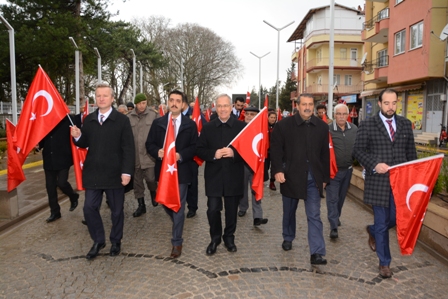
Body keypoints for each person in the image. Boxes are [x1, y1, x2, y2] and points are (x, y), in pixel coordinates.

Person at [353, 88, 417, 279]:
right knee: (382, 223)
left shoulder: (405, 124)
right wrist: (374, 164)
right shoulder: (367, 125)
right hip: (379, 182)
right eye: (387, 103)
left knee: (396, 219)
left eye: (394, 103)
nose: (391, 107)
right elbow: (358, 151)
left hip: (400, 184)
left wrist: (414, 179)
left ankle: (371, 230)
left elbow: (411, 154)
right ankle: (384, 263)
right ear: (379, 104)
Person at [70, 83, 135, 260]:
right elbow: (84, 142)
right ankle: (98, 240)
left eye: (105, 96)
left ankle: (116, 240)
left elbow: (129, 148)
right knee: (89, 208)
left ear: (112, 99)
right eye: (98, 95)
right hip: (94, 173)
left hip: (115, 174)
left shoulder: (122, 120)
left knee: (116, 211)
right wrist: (77, 136)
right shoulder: (89, 120)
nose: (101, 98)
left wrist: (127, 172)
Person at [270, 93, 330, 265]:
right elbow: (276, 151)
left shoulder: (321, 127)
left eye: (310, 104)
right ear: (297, 106)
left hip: (313, 179)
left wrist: (325, 177)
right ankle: (288, 236)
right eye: (304, 104)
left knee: (314, 215)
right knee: (289, 211)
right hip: (290, 177)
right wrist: (278, 171)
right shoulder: (283, 126)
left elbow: (325, 154)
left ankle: (317, 252)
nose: (307, 107)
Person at [146, 90, 198, 258]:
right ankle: (177, 218)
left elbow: (194, 147)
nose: (174, 103)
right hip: (163, 171)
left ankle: (177, 242)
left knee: (178, 206)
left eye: (178, 100)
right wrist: (157, 152)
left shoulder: (190, 125)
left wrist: (181, 155)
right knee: (164, 202)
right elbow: (149, 144)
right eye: (171, 100)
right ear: (168, 102)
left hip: (181, 172)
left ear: (183, 104)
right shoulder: (158, 123)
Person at [196, 94, 246, 255]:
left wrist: (234, 153)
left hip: (233, 175)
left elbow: (248, 151)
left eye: (226, 106)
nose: (223, 109)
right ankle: (215, 238)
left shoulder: (241, 127)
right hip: (214, 176)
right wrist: (213, 153)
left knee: (232, 210)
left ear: (231, 107)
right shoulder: (209, 127)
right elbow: (199, 149)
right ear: (215, 108)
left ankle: (229, 237)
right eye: (220, 106)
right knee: (212, 209)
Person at [38, 116, 79, 223]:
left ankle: (73, 196)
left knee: (62, 182)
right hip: (49, 159)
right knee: (50, 187)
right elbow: (42, 140)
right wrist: (38, 145)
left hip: (63, 159)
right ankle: (55, 212)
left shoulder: (68, 120)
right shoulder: (44, 121)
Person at [326, 104, 358, 239]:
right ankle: (333, 226)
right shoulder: (327, 130)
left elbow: (359, 147)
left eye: (344, 114)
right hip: (333, 171)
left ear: (348, 115)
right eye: (338, 114)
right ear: (334, 115)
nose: (341, 117)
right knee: (332, 198)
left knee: (341, 197)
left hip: (348, 170)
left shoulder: (354, 129)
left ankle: (336, 216)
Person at [128, 93, 159, 217]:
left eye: (144, 103)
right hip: (135, 156)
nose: (142, 106)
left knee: (151, 178)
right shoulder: (128, 117)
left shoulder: (154, 115)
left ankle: (153, 192)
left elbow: (160, 133)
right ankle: (141, 206)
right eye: (140, 103)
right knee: (137, 183)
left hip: (149, 155)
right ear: (135, 104)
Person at [237, 106, 268, 226]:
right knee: (243, 188)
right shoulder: (238, 128)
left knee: (256, 189)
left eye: (252, 114)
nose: (249, 116)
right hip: (242, 164)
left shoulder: (261, 129)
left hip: (256, 165)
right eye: (247, 114)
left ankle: (257, 216)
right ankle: (243, 208)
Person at [181, 95, 207, 218]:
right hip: (177, 156)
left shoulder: (196, 114)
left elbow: (205, 129)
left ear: (183, 103)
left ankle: (192, 207)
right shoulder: (173, 116)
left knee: (191, 183)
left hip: (192, 156)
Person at [266, 110, 277, 191]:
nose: (273, 119)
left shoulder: (278, 127)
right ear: (268, 118)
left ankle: (272, 182)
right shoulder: (263, 126)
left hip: (274, 150)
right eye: (271, 117)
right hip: (265, 150)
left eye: (274, 118)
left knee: (274, 167)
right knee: (265, 167)